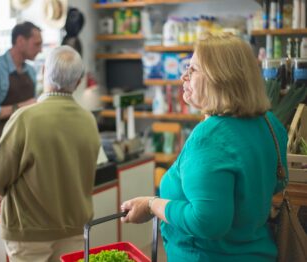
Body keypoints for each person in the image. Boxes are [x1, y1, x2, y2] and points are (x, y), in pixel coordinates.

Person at [120, 33, 289, 262]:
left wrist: (152, 204)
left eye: (193, 70)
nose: (183, 76)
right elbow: (279, 181)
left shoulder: (208, 138)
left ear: (220, 78)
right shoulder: (270, 123)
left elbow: (207, 223)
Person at [0, 46, 101, 262]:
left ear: (44, 70)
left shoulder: (25, 119)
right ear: (77, 81)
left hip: (29, 235)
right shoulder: (88, 120)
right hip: (75, 230)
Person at [0, 21, 42, 149]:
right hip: (2, 144)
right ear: (20, 41)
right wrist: (21, 107)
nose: (40, 50)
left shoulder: (31, 71)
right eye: (37, 44)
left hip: (28, 143)